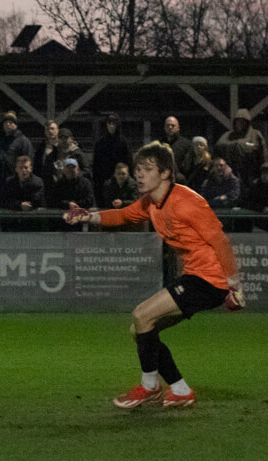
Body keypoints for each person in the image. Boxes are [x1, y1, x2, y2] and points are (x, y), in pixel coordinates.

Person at [62, 141, 245, 409]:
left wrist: (235, 287)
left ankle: (150, 387)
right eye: (138, 169)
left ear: (165, 174)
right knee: (140, 330)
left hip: (210, 281)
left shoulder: (187, 202)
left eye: (147, 169)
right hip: (195, 277)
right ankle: (181, 390)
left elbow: (221, 242)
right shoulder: (151, 203)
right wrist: (87, 216)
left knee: (141, 314)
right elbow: (122, 215)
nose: (139, 174)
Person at [214, 108, 266, 190]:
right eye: (238, 121)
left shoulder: (255, 134)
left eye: (243, 121)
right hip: (233, 172)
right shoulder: (229, 135)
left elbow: (262, 153)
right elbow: (219, 145)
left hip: (251, 172)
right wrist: (236, 145)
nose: (240, 124)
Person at [92, 112, 131, 205]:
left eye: (114, 123)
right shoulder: (100, 143)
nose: (111, 126)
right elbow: (96, 165)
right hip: (103, 180)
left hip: (120, 181)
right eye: (109, 123)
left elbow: (129, 162)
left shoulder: (123, 142)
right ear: (106, 124)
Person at [160, 116, 195, 183]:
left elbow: (189, 168)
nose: (170, 127)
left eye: (173, 125)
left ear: (178, 128)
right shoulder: (159, 145)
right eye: (168, 125)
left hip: (180, 182)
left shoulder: (186, 145)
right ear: (164, 128)